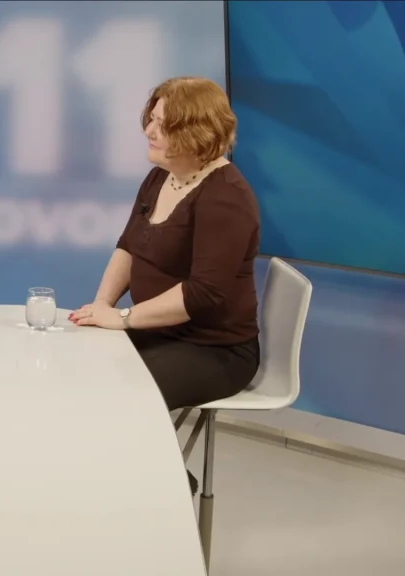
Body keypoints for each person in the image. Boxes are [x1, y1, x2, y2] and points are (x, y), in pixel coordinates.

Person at [68, 77, 261, 495]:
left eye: (162, 124)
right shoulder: (161, 177)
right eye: (151, 119)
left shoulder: (226, 197)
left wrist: (122, 318)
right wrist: (101, 306)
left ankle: (169, 492)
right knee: (76, 369)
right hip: (156, 330)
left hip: (213, 348)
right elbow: (128, 246)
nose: (148, 131)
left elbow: (202, 294)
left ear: (197, 133)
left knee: (120, 395)